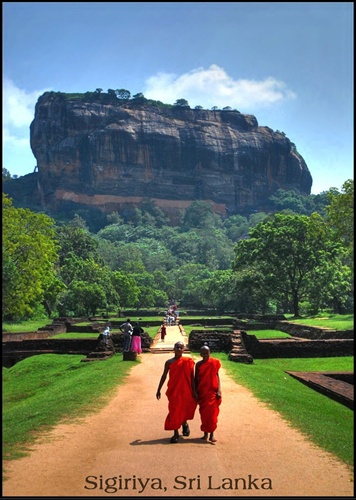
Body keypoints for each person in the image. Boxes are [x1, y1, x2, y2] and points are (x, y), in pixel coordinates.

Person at [156, 341, 197, 443]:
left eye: (181, 347)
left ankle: (185, 424)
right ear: (173, 348)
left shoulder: (188, 361)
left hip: (186, 390)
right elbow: (164, 376)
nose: (179, 349)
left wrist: (194, 391)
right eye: (177, 347)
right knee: (174, 410)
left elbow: (192, 377)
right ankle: (176, 433)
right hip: (174, 391)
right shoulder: (169, 362)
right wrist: (158, 389)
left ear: (184, 349)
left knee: (184, 409)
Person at [195, 344, 222, 443]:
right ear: (200, 354)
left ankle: (212, 434)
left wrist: (219, 390)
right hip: (203, 393)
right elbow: (196, 379)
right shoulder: (198, 365)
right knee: (204, 414)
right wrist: (195, 391)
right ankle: (205, 434)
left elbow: (217, 376)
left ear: (210, 353)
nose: (205, 355)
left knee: (212, 415)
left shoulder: (214, 363)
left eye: (207, 353)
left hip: (213, 392)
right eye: (203, 353)